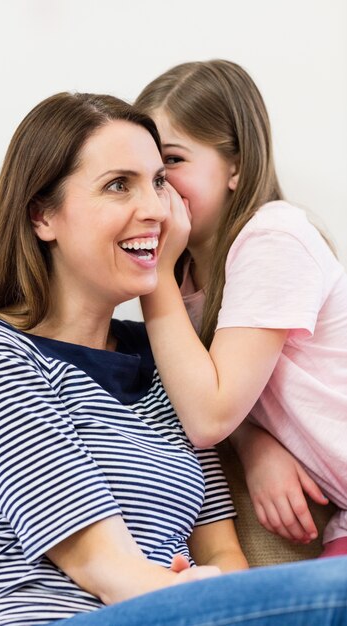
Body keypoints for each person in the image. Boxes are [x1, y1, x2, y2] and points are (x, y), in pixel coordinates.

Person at [0, 91, 347, 626]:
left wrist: (215, 583)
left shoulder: (162, 361)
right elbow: (108, 568)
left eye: (157, 180)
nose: (156, 208)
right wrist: (200, 593)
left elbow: (222, 552)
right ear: (42, 217)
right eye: (117, 185)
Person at [135, 59, 347, 558]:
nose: (154, 190)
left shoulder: (272, 236)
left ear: (236, 166)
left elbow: (209, 416)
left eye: (171, 164)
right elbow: (205, 404)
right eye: (143, 174)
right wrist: (253, 445)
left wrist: (155, 275)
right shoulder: (186, 282)